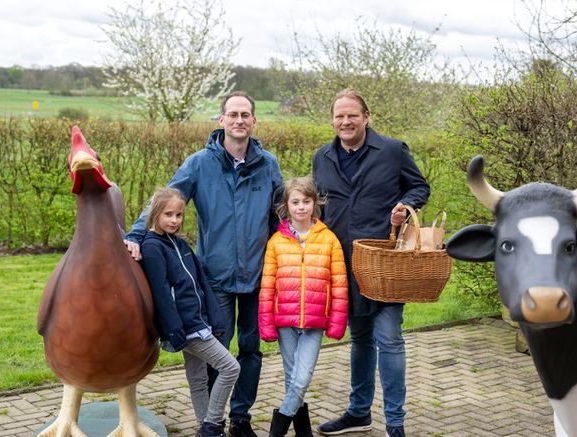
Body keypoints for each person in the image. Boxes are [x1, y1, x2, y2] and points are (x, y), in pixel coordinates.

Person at [125, 91, 283, 437]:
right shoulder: (199, 163)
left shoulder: (268, 164)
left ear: (254, 121)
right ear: (221, 120)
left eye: (246, 114)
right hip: (215, 277)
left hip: (258, 276)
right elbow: (163, 201)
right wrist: (136, 235)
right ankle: (214, 420)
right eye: (233, 114)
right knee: (217, 350)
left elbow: (279, 216)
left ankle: (240, 418)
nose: (239, 120)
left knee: (251, 349)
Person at [311, 89, 430, 437]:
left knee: (389, 339)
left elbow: (420, 187)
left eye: (352, 115)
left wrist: (405, 204)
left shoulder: (393, 151)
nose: (345, 122)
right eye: (339, 116)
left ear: (366, 117)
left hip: (385, 265)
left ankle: (395, 424)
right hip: (344, 265)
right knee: (360, 340)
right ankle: (359, 412)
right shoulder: (322, 157)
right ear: (332, 120)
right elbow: (319, 206)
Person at [139, 188, 240, 437]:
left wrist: (215, 317)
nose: (175, 220)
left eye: (179, 215)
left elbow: (202, 282)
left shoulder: (180, 244)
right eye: (169, 214)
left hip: (199, 321)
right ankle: (212, 423)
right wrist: (174, 330)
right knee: (230, 368)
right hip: (185, 326)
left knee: (197, 378)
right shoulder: (152, 248)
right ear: (155, 214)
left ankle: (207, 427)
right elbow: (162, 294)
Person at [258, 177, 349, 437]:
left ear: (315, 203)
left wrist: (336, 322)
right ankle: (303, 432)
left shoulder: (329, 240)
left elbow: (340, 286)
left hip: (314, 323)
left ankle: (278, 427)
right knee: (291, 379)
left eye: (306, 201)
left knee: (301, 378)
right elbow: (267, 287)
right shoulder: (276, 242)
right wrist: (266, 323)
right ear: (286, 206)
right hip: (285, 322)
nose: (301, 207)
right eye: (295, 202)